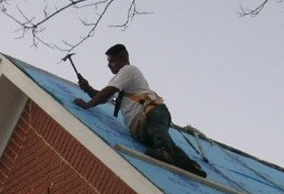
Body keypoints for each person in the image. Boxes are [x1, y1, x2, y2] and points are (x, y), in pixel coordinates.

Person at [72, 44, 206, 178]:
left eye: (112, 61)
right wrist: (88, 88)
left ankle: (163, 151)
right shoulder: (119, 79)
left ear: (122, 58)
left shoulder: (128, 70)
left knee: (158, 134)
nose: (108, 65)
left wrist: (87, 105)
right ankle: (189, 165)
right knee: (164, 141)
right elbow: (102, 98)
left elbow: (107, 92)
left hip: (152, 112)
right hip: (140, 124)